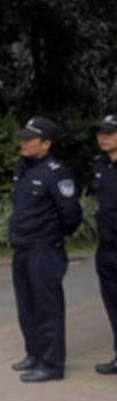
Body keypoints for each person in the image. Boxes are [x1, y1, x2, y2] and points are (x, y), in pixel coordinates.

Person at [8, 116, 82, 383]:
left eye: (30, 139)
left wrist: (58, 236)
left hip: (44, 251)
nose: (24, 143)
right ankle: (34, 354)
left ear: (46, 144)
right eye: (23, 138)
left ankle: (51, 364)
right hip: (23, 249)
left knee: (47, 308)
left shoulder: (56, 173)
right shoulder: (24, 169)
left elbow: (71, 213)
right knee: (26, 306)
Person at [92, 114, 117, 375]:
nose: (104, 137)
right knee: (112, 305)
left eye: (109, 132)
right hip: (107, 248)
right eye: (100, 132)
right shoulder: (100, 164)